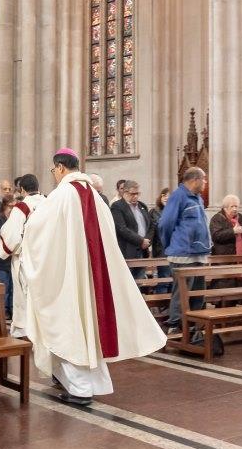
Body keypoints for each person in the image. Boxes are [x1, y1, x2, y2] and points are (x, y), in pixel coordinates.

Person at [20, 149, 166, 404]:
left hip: (68, 275)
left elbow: (35, 229)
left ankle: (79, 388)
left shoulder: (61, 195)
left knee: (69, 327)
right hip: (93, 275)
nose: (54, 174)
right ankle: (88, 384)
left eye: (54, 170)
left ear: (61, 168)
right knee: (88, 327)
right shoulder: (96, 197)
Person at [157, 167, 211, 334]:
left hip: (199, 253)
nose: (206, 182)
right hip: (182, 255)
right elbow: (165, 224)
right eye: (204, 179)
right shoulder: (178, 197)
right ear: (195, 180)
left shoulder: (198, 199)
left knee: (198, 292)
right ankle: (176, 325)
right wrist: (172, 245)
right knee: (182, 292)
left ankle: (194, 324)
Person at [0, 174, 45, 334]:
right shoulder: (49, 204)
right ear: (38, 187)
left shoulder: (22, 207)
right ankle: (44, 330)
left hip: (28, 259)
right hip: (47, 258)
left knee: (25, 296)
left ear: (23, 189)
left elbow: (11, 237)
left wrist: (7, 251)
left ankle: (25, 330)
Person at [209, 194, 242, 291]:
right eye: (232, 206)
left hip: (240, 257)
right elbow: (216, 236)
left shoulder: (240, 217)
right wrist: (233, 231)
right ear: (225, 207)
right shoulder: (217, 218)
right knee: (225, 288)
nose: (234, 209)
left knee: (239, 286)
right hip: (224, 259)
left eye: (236, 206)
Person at [110, 180, 153, 280]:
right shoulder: (117, 206)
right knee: (128, 281)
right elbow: (122, 228)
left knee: (140, 280)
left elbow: (151, 226)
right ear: (124, 192)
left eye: (137, 193)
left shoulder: (142, 206)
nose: (136, 196)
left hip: (142, 250)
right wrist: (140, 240)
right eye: (132, 194)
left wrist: (147, 241)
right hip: (127, 251)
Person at [147, 188, 171, 293]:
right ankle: (162, 307)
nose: (166, 198)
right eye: (164, 195)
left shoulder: (176, 211)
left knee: (174, 280)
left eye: (169, 196)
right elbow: (151, 230)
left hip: (174, 250)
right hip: (161, 250)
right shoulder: (154, 212)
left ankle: (171, 307)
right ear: (160, 197)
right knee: (164, 279)